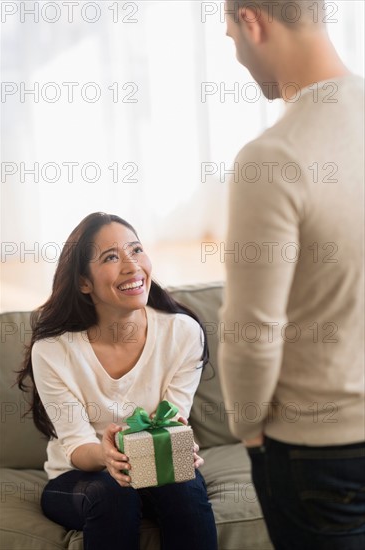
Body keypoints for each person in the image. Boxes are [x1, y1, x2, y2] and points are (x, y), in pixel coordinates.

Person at [218, 1, 365, 549]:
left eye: (230, 33)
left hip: (317, 453)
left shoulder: (272, 159)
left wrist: (247, 429)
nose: (234, 52)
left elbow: (252, 332)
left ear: (252, 20)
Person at [17, 212, 218, 550]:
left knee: (183, 486)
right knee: (112, 493)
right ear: (84, 282)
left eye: (136, 250)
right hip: (79, 476)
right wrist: (110, 455)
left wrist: (179, 445)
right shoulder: (52, 351)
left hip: (156, 466)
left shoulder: (182, 333)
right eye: (111, 257)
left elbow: (171, 420)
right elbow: (77, 447)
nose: (131, 265)